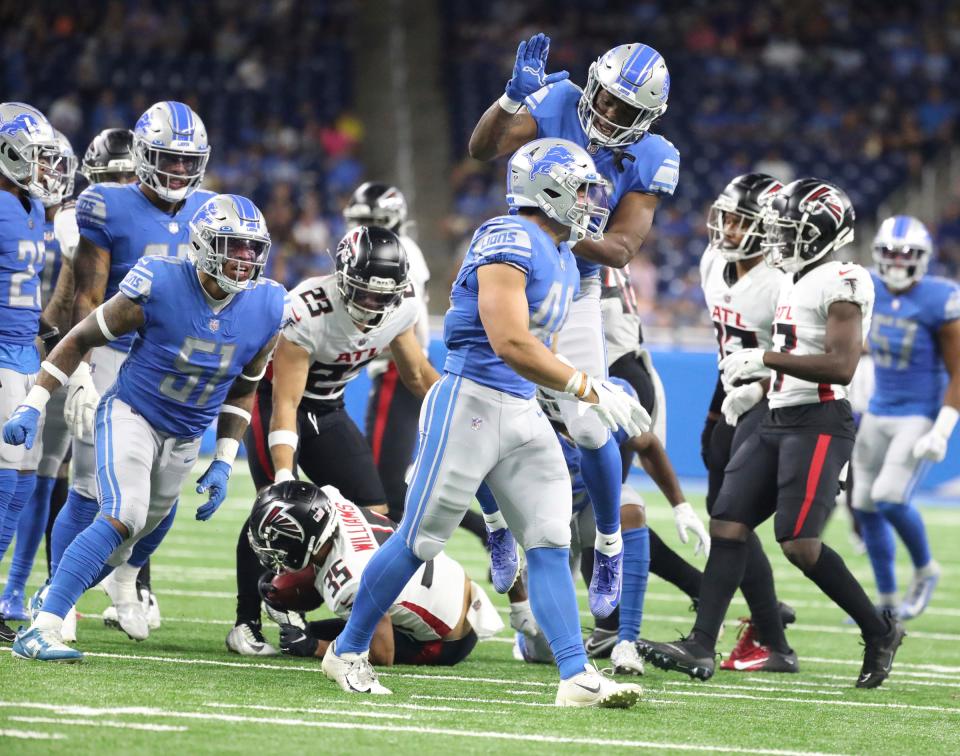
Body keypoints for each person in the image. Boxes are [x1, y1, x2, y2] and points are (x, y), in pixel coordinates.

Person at [321, 137, 649, 707]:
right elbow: (510, 340)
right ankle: (346, 650)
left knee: (548, 539)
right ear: (546, 190)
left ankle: (575, 676)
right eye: (581, 188)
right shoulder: (508, 236)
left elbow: (540, 351)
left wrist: (582, 392)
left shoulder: (567, 256)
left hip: (522, 408)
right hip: (468, 403)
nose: (591, 200)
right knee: (417, 541)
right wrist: (586, 387)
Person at [640, 178, 906, 689]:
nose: (779, 239)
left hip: (820, 421)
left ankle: (879, 630)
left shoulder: (845, 279)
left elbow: (842, 365)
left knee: (799, 545)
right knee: (728, 523)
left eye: (790, 230)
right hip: (778, 414)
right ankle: (700, 644)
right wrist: (760, 382)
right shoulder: (790, 276)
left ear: (823, 234)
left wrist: (763, 359)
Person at [4, 193, 285, 661]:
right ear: (203, 244)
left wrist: (222, 459)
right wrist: (33, 403)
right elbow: (79, 339)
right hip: (132, 414)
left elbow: (244, 388)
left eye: (252, 250)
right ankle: (45, 625)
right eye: (233, 246)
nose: (244, 260)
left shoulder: (269, 305)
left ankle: (70, 595)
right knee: (123, 514)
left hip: (187, 433)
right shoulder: (159, 282)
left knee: (131, 539)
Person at [469, 34, 679, 616]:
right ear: (591, 84)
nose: (608, 113)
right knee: (477, 404)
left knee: (591, 424)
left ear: (649, 118)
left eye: (625, 109)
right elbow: (481, 148)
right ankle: (495, 524)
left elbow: (621, 248)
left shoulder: (653, 155)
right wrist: (510, 102)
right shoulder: (559, 99)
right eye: (606, 99)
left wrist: (558, 222)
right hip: (513, 262)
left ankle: (608, 543)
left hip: (576, 282)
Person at [230, 224, 439, 656]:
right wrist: (285, 474)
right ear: (342, 278)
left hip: (328, 408)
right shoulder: (308, 308)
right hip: (276, 401)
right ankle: (245, 621)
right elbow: (286, 402)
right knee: (272, 508)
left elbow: (418, 375)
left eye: (382, 295)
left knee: (374, 511)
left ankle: (313, 605)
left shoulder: (400, 308)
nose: (372, 304)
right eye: (364, 293)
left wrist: (461, 411)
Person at [47, 103, 214, 641]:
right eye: (168, 160)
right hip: (117, 352)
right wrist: (80, 373)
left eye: (189, 163)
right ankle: (59, 597)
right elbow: (88, 296)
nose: (179, 174)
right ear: (142, 156)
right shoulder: (105, 203)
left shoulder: (212, 210)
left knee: (163, 493)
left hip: (175, 359)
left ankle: (128, 580)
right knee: (90, 486)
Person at [511, 377, 708, 676]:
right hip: (544, 516)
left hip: (590, 507)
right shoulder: (525, 424)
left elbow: (648, 443)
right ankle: (532, 641)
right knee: (544, 648)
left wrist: (681, 507)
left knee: (629, 506)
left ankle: (625, 640)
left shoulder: (606, 406)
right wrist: (518, 601)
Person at [698, 174, 798, 673]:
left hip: (773, 400)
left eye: (741, 222)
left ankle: (722, 637)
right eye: (727, 218)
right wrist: (717, 409)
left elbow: (800, 355)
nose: (728, 230)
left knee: (732, 520)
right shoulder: (713, 263)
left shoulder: (782, 281)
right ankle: (770, 629)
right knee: (723, 514)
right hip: (731, 394)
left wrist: (757, 389)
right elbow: (726, 349)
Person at [249, 481, 501, 666]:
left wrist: (314, 648)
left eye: (279, 541)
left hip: (444, 642)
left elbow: (383, 654)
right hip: (455, 586)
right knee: (307, 627)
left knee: (319, 639)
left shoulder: (351, 580)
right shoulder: (332, 499)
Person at [852, 215, 959, 619]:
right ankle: (886, 601)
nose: (896, 261)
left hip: (918, 413)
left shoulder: (940, 297)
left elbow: (958, 370)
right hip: (879, 408)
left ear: (923, 257)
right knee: (862, 503)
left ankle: (926, 569)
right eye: (890, 253)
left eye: (906, 254)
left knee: (889, 498)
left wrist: (943, 429)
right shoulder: (869, 287)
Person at [0, 129, 76, 623]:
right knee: (7, 481)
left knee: (23, 484)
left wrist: (42, 327)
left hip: (25, 355)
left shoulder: (31, 210)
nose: (47, 170)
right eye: (38, 158)